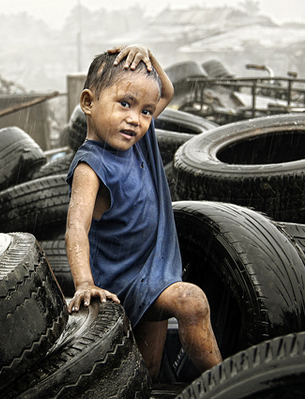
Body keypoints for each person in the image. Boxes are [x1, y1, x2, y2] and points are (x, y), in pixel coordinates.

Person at [65, 44, 222, 379]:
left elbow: (166, 91)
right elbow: (75, 229)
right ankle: (232, 383)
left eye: (146, 112)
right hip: (122, 281)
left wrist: (148, 55)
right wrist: (84, 283)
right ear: (88, 103)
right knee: (191, 301)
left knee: (148, 371)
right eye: (125, 104)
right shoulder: (91, 167)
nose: (135, 119)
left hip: (155, 269)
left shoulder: (139, 139)